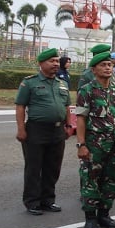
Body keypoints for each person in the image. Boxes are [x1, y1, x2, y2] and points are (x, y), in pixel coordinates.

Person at [75, 51, 115, 228]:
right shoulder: (87, 90)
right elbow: (81, 118)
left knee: (111, 179)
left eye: (110, 65)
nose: (108, 68)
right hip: (94, 145)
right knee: (91, 179)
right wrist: (81, 144)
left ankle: (104, 214)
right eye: (103, 65)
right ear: (94, 69)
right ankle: (90, 218)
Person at [15, 48, 72, 215]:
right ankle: (32, 201)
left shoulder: (61, 83)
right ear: (41, 63)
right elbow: (20, 106)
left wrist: (68, 126)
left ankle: (48, 200)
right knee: (34, 167)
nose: (56, 64)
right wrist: (21, 129)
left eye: (57, 61)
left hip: (57, 130)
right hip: (36, 130)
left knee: (53, 167)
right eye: (52, 61)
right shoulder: (30, 82)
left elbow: (67, 106)